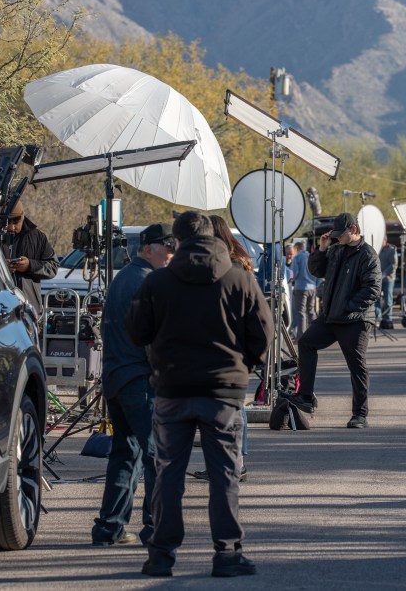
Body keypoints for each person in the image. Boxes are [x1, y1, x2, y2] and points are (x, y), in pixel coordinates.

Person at [126, 211, 273, 578]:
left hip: (172, 390)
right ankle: (227, 554)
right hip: (223, 391)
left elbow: (136, 331)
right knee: (224, 474)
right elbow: (264, 333)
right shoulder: (240, 279)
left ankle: (161, 555)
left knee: (168, 474)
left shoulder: (158, 282)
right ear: (214, 238)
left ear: (177, 241)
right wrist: (243, 366)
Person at [92, 223, 174, 547]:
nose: (170, 256)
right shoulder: (147, 282)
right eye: (166, 250)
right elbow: (152, 341)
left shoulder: (123, 278)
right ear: (148, 248)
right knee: (157, 456)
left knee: (127, 454)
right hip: (140, 381)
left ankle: (109, 528)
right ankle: (155, 529)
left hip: (116, 379)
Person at [283, 212, 380, 428]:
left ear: (353, 230)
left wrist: (348, 307)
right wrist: (321, 249)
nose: (337, 238)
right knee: (307, 343)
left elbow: (372, 288)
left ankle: (360, 414)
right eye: (334, 234)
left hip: (354, 319)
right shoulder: (336, 250)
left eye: (341, 234)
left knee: (356, 365)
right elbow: (316, 270)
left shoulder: (367, 254)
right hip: (330, 317)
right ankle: (305, 396)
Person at [208, 215, 255, 481]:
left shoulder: (232, 265)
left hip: (231, 343)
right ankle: (230, 460)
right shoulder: (238, 260)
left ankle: (238, 461)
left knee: (234, 405)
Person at [0, 200, 57, 316]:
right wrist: (1, 269)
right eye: (7, 222)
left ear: (23, 217)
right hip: (0, 307)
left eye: (16, 222)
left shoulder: (38, 237)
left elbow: (53, 267)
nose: (11, 227)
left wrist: (30, 266)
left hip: (30, 309)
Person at [290, 241, 318, 339]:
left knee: (301, 313)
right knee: (311, 311)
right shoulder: (311, 256)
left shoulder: (297, 258)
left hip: (301, 288)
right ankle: (315, 334)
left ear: (297, 248)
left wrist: (291, 280)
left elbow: (293, 273)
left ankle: (302, 336)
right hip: (312, 288)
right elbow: (318, 273)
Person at [378, 236, 397, 330]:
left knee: (388, 299)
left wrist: (384, 274)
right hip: (378, 279)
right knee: (375, 299)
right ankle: (378, 318)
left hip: (388, 279)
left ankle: (388, 318)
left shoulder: (392, 249)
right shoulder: (377, 249)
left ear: (385, 240)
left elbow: (393, 264)